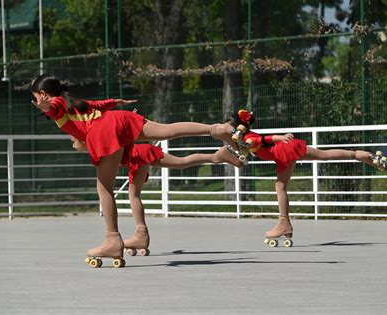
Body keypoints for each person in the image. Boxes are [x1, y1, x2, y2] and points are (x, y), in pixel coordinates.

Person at [31, 74, 240, 268]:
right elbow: (97, 104)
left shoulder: (56, 104)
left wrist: (46, 107)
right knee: (167, 130)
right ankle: (215, 129)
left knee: (104, 189)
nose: (37, 104)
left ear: (42, 94)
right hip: (118, 119)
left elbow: (55, 106)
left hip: (103, 132)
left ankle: (112, 239)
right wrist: (116, 102)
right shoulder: (74, 104)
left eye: (36, 98)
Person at [226, 109, 387, 247]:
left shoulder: (248, 138)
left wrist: (280, 137)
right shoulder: (245, 139)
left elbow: (265, 139)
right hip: (283, 153)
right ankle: (362, 155)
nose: (226, 130)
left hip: (284, 150)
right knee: (321, 156)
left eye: (228, 127)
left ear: (237, 127)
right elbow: (248, 148)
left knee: (281, 186)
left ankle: (284, 223)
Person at [70, 136, 243, 257]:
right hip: (138, 154)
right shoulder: (98, 140)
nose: (72, 144)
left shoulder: (97, 140)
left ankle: (217, 156)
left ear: (82, 139)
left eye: (73, 140)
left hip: (139, 153)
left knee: (137, 192)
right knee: (138, 191)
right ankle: (141, 234)